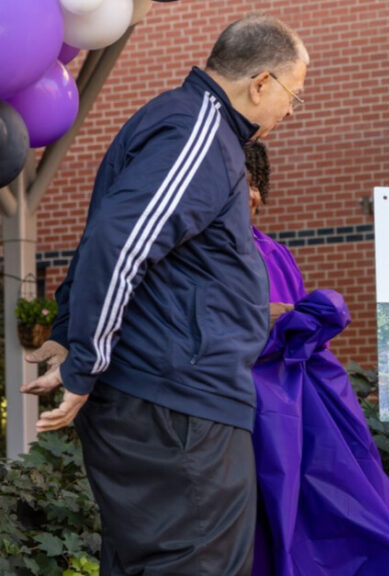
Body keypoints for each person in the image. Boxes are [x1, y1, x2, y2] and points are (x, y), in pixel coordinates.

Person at [21, 14, 307, 575]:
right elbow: (121, 241)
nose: (291, 111)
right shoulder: (199, 131)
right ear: (262, 82)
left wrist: (67, 333)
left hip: (167, 400)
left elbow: (119, 235)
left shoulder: (185, 126)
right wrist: (86, 358)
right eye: (294, 95)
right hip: (179, 408)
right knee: (199, 561)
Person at [244, 142, 389, 575]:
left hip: (274, 407)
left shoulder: (252, 254)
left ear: (252, 193)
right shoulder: (264, 250)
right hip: (292, 405)